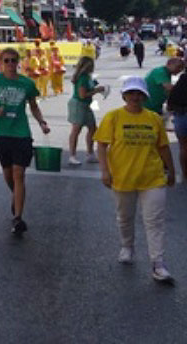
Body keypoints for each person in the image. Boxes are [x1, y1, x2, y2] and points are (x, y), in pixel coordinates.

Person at [95, 76, 175, 282]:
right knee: (125, 217)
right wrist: (105, 171)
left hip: (152, 178)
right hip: (123, 177)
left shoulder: (153, 118)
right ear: (124, 95)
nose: (135, 97)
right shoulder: (113, 117)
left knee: (154, 221)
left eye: (139, 93)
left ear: (145, 96)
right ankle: (127, 246)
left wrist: (172, 170)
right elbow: (101, 145)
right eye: (130, 93)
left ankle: (158, 264)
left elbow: (163, 147)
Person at [0, 47, 50, 235]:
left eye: (13, 60)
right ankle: (16, 195)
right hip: (1, 133)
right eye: (7, 61)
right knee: (8, 174)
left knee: (19, 173)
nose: (10, 64)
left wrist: (42, 122)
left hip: (22, 134)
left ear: (18, 63)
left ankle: (18, 218)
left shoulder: (27, 83)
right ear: (0, 63)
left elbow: (34, 106)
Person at [67, 56, 105, 165]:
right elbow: (82, 95)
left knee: (93, 128)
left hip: (86, 105)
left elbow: (89, 87)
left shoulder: (88, 77)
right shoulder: (82, 78)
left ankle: (90, 153)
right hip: (78, 104)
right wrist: (97, 90)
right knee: (76, 129)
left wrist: (96, 86)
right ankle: (72, 155)